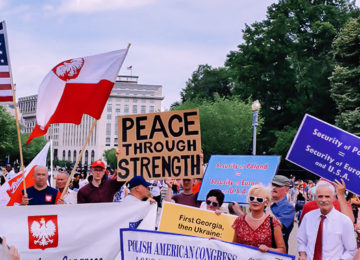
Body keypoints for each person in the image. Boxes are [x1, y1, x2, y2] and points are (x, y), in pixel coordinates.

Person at [297, 180, 357, 260]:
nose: (323, 200)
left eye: (327, 196)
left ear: (333, 198)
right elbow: (302, 241)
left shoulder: (344, 221)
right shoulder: (308, 217)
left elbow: (351, 251)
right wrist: (303, 254)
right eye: (320, 196)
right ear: (315, 198)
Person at [232, 185, 286, 254]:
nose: (255, 201)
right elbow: (233, 246)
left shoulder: (273, 222)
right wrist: (218, 243)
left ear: (266, 203)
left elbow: (282, 250)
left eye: (259, 199)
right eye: (252, 198)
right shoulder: (240, 220)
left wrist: (268, 249)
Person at [270, 175, 295, 253]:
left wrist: (267, 208)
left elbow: (278, 225)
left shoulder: (288, 207)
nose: (274, 187)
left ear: (287, 190)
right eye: (272, 185)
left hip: (276, 253)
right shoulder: (262, 202)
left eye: (278, 186)